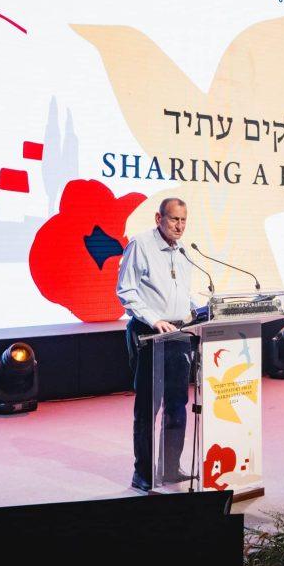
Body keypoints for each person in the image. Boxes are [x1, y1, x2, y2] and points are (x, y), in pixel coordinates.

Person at [116, 197, 200, 491]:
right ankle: (142, 472)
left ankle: (170, 467)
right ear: (158, 218)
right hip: (149, 335)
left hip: (178, 336)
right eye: (174, 219)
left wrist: (198, 309)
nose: (180, 226)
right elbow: (126, 291)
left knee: (177, 405)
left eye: (184, 220)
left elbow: (180, 294)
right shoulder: (140, 245)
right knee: (148, 407)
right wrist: (154, 320)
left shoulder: (183, 252)